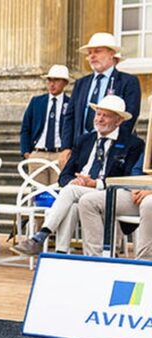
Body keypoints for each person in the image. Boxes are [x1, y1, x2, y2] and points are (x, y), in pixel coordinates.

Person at [13, 95, 143, 256]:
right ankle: (60, 252)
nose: (100, 119)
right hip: (81, 190)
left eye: (106, 115)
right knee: (73, 202)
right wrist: (76, 180)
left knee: (70, 192)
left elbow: (128, 178)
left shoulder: (133, 144)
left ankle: (41, 236)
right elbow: (64, 175)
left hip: (108, 192)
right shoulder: (84, 140)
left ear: (119, 121)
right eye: (98, 114)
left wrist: (95, 183)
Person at [61, 33, 140, 163]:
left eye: (97, 51)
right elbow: (70, 117)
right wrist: (66, 147)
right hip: (80, 150)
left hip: (113, 150)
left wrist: (113, 146)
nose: (92, 56)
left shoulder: (128, 81)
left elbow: (129, 117)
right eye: (90, 52)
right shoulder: (81, 83)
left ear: (111, 53)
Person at [19, 64, 71, 186]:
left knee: (57, 192)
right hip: (38, 153)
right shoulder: (37, 102)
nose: (52, 84)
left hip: (60, 154)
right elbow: (26, 128)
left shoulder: (71, 103)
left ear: (65, 83)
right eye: (49, 80)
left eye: (56, 80)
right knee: (37, 195)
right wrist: (27, 152)